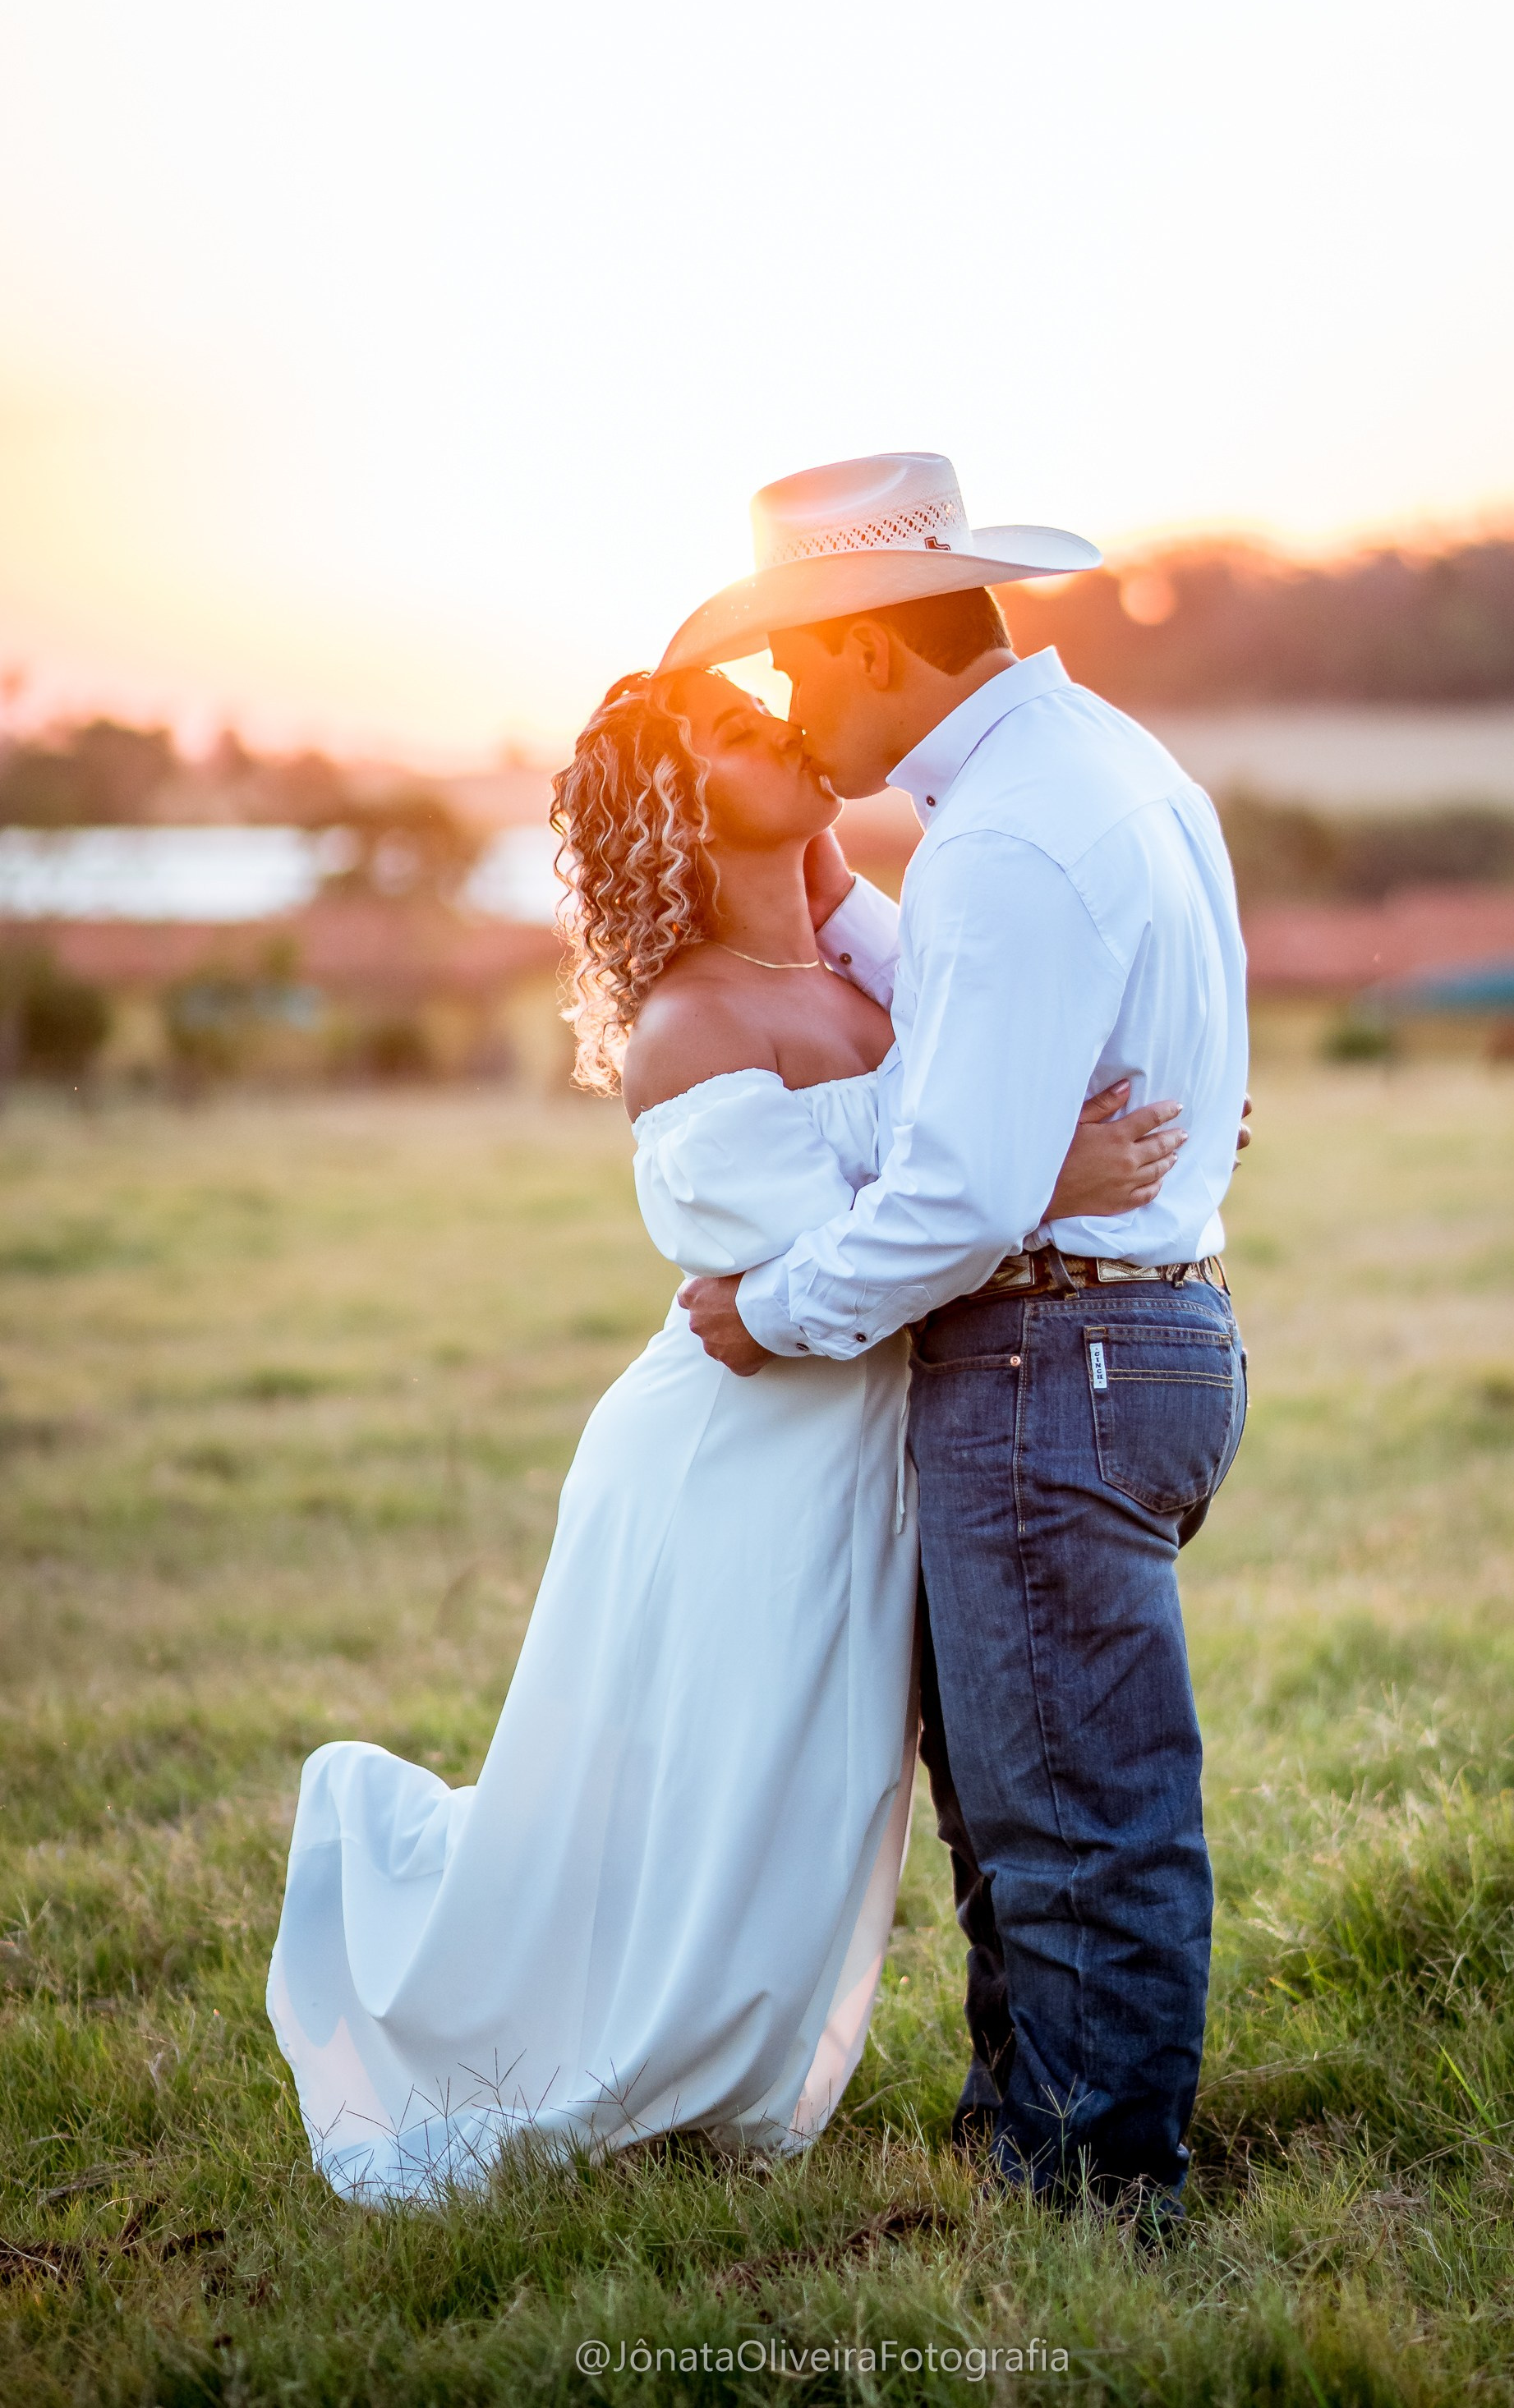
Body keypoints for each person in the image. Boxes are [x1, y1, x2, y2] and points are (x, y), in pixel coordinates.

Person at [265, 657, 1182, 2201]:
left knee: (813, 1794)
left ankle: (827, 2071)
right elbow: (856, 1257)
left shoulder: (865, 970)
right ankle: (598, 2042)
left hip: (857, 1456)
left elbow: (1003, 1073)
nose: (782, 722)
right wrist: (1052, 1183)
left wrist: (1128, 1110)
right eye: (733, 728)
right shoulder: (687, 1025)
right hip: (729, 1458)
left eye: (773, 703)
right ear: (679, 804)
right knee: (723, 1781)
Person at [670, 452, 1250, 2221]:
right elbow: (1006, 1035)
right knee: (1028, 1789)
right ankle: (1029, 2127)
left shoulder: (1005, 839)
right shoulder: (1111, 772)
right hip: (1138, 1340)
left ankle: (1092, 2186)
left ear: (860, 646)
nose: (782, 700)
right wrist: (839, 900)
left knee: (1070, 1808)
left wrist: (768, 1316)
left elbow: (953, 1197)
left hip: (1043, 1362)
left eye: (791, 662)